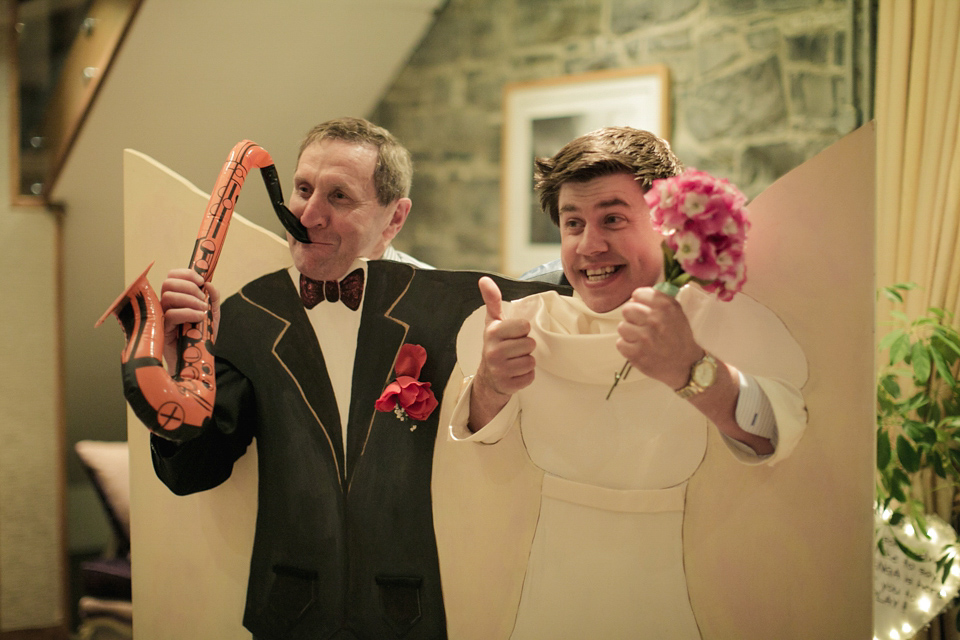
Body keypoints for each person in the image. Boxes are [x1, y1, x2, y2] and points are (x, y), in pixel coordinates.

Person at [153, 117, 562, 639]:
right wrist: (178, 366)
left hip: (409, 613)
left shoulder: (446, 313)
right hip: (289, 611)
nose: (308, 215)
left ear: (394, 219)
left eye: (339, 197)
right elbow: (190, 473)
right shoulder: (247, 314)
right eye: (302, 189)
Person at [449, 127, 807, 638]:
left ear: (667, 226)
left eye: (613, 219)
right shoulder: (524, 323)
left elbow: (778, 433)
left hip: (676, 589)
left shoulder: (719, 317)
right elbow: (477, 450)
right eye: (573, 224)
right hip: (547, 593)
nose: (590, 245)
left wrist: (692, 371)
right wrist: (490, 385)